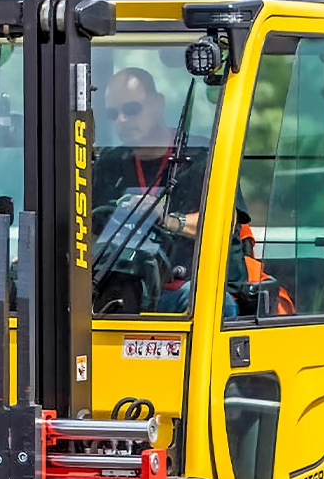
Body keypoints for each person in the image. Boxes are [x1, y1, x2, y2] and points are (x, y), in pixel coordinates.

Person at [90, 67, 249, 317]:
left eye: (132, 109)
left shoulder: (202, 158)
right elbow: (85, 225)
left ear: (158, 104)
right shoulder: (109, 163)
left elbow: (224, 225)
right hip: (127, 284)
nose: (122, 119)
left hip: (188, 287)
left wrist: (167, 219)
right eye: (113, 114)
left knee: (205, 303)